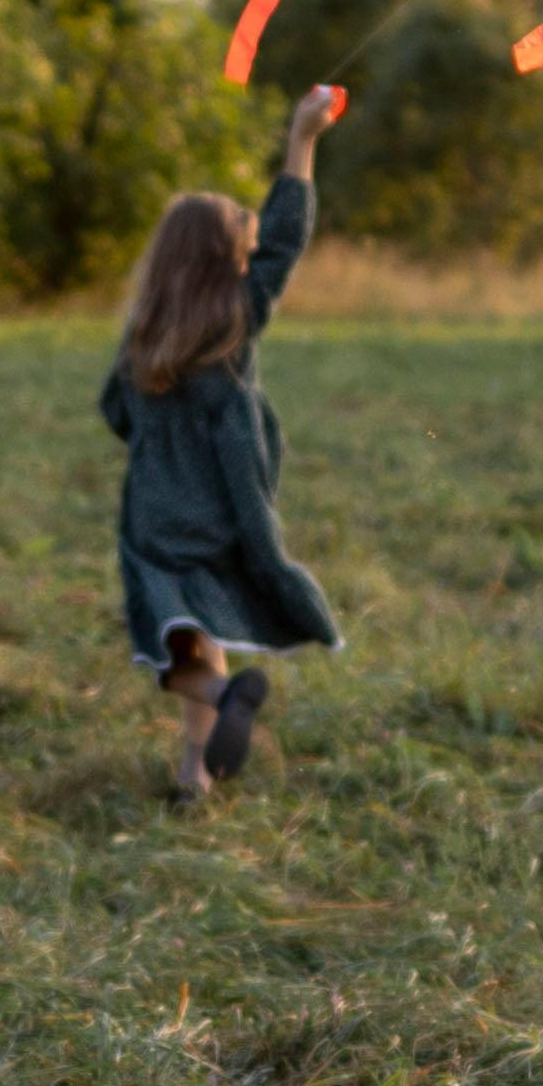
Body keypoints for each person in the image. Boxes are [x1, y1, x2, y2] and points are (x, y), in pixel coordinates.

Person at [101, 86, 347, 803]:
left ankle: (216, 709)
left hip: (154, 523)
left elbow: (115, 412)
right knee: (197, 629)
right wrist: (303, 138)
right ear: (224, 264)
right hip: (221, 514)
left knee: (177, 645)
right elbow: (285, 237)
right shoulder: (236, 322)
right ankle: (194, 772)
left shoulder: (143, 336)